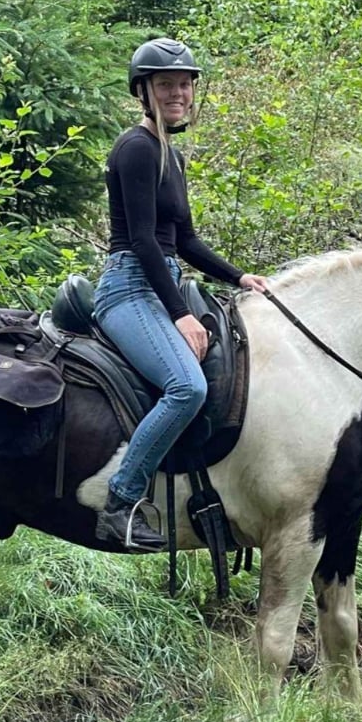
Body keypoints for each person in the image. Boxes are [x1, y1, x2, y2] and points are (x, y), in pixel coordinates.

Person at [93, 38, 270, 551]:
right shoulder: (136, 149)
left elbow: (184, 240)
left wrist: (240, 277)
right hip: (130, 287)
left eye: (185, 84)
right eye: (165, 84)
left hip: (161, 279)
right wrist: (180, 315)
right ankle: (120, 503)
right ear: (143, 92)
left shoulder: (171, 155)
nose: (178, 93)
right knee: (186, 388)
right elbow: (143, 241)